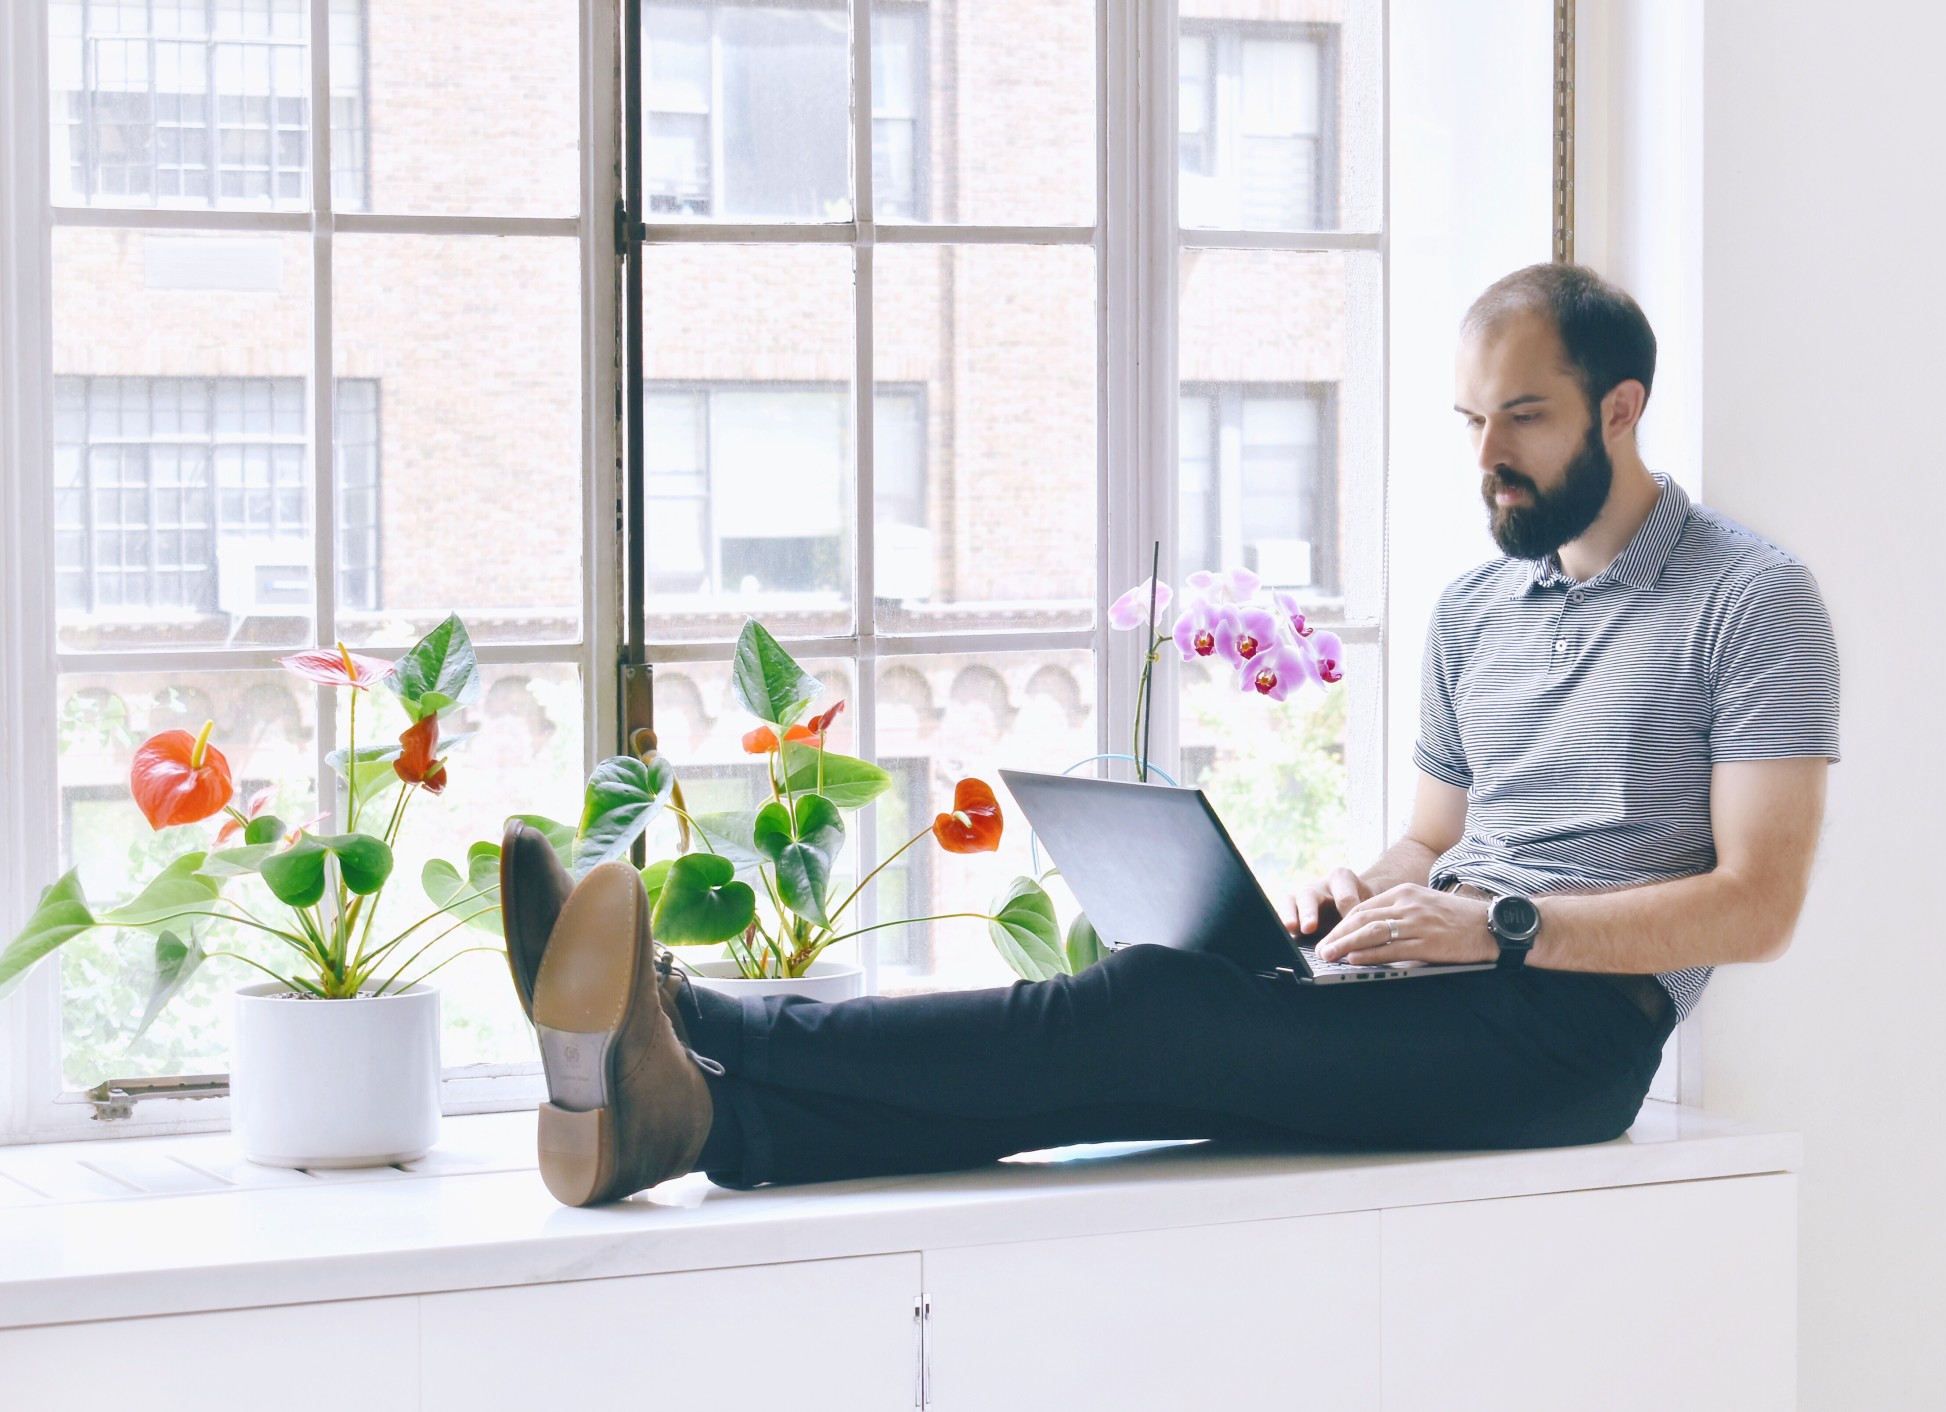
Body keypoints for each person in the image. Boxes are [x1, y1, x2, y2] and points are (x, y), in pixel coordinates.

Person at [502, 262, 1841, 1207]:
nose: (1486, 452)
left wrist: (1491, 927)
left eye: (1523, 417)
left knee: (1144, 1011)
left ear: (1621, 409)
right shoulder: (1476, 607)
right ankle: (692, 1123)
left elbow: (1757, 905)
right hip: (1432, 984)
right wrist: (1359, 892)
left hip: (1568, 1038)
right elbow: (1433, 839)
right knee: (1105, 1079)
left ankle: (692, 1016)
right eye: (1470, 419)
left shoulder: (1745, 597)